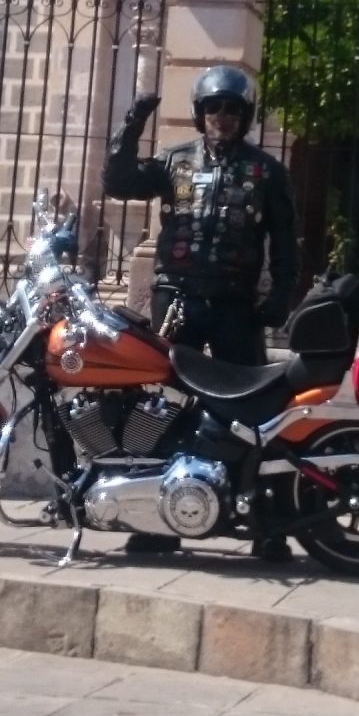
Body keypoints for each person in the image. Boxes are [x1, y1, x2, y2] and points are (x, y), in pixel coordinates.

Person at [103, 63, 300, 561]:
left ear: (246, 115)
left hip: (236, 306)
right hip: (178, 300)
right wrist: (133, 123)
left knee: (257, 411)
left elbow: (286, 242)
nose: (223, 117)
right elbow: (118, 181)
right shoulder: (174, 162)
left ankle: (264, 521)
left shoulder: (267, 172)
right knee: (166, 404)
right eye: (214, 107)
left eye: (233, 109)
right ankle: (161, 520)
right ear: (199, 113)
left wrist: (279, 297)